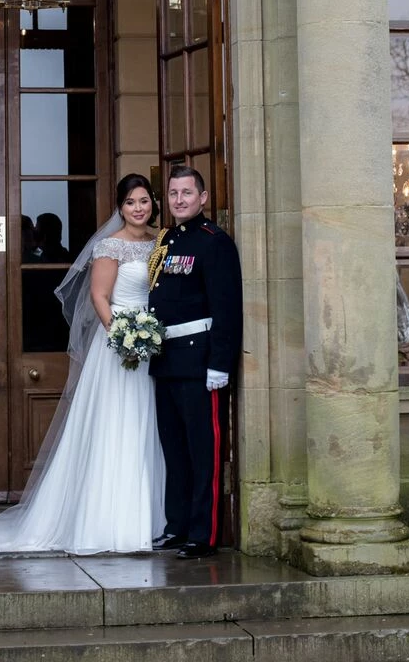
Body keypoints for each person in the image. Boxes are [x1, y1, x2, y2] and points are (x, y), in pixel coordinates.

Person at [0, 174, 165, 555]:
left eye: (144, 200)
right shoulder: (110, 246)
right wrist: (123, 338)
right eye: (131, 202)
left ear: (153, 203)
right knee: (118, 425)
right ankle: (108, 522)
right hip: (119, 346)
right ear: (120, 208)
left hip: (152, 346)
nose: (138, 208)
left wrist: (148, 337)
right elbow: (100, 297)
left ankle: (152, 518)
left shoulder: (160, 242)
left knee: (148, 425)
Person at [149, 165, 242, 560]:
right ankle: (178, 526)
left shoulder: (214, 242)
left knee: (204, 451)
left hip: (200, 360)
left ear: (203, 198)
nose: (180, 200)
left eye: (187, 193)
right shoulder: (166, 239)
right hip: (167, 359)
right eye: (173, 193)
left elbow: (227, 307)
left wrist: (220, 363)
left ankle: (203, 535)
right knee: (175, 450)